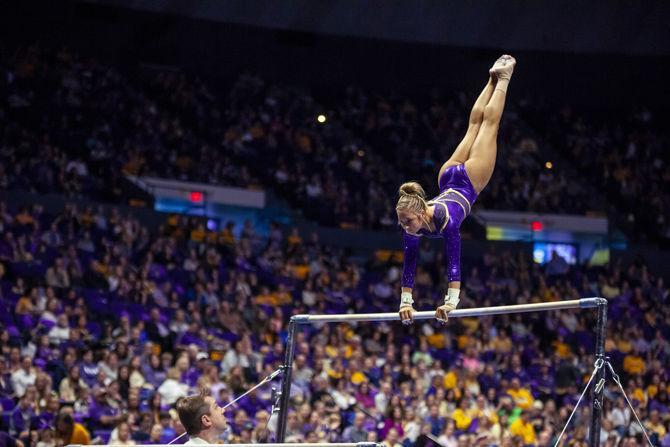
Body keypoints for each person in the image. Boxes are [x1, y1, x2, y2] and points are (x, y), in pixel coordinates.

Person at [396, 55, 516, 325]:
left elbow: (454, 261)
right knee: (474, 125)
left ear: (421, 212)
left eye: (407, 222)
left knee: (487, 125)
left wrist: (451, 301)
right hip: (447, 178)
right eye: (402, 222)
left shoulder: (445, 221)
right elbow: (409, 264)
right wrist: (406, 302)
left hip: (468, 180)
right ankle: (490, 79)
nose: (405, 227)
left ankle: (503, 78)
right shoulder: (415, 226)